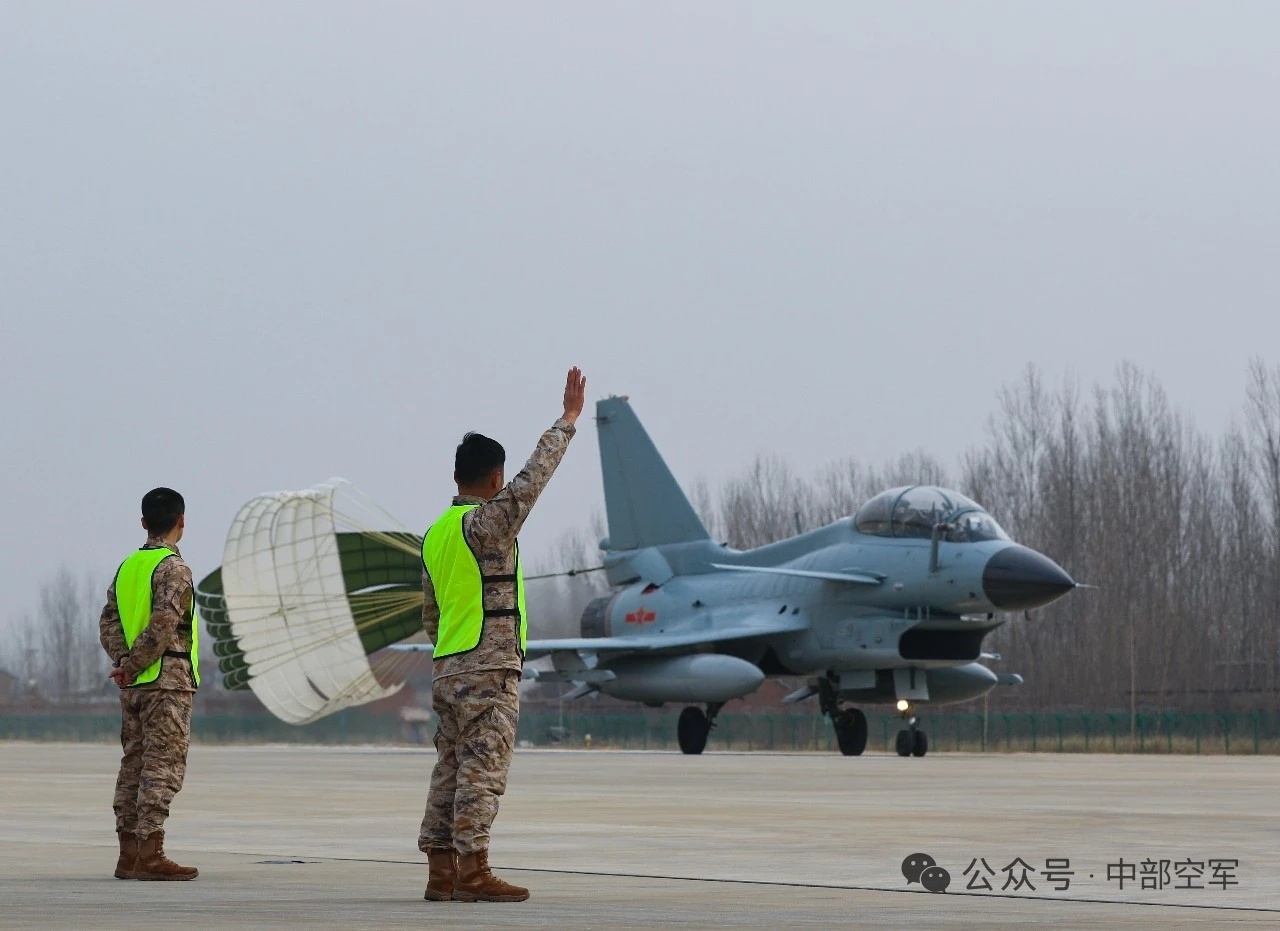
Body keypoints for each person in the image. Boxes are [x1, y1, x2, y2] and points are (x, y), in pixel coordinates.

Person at [419, 366, 586, 903]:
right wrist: (567, 421)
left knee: (448, 768)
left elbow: (432, 612)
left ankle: (440, 874)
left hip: (447, 664)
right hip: (487, 665)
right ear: (494, 480)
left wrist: (453, 650)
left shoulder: (435, 535)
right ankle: (474, 872)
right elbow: (533, 481)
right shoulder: (486, 523)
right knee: (481, 769)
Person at [99, 487, 200, 881]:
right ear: (182, 521)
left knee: (134, 764)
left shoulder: (127, 567)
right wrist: (137, 662)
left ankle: (127, 853)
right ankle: (151, 854)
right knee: (162, 767)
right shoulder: (174, 568)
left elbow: (107, 621)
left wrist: (124, 663)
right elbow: (162, 627)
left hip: (134, 687)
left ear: (143, 522)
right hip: (167, 682)